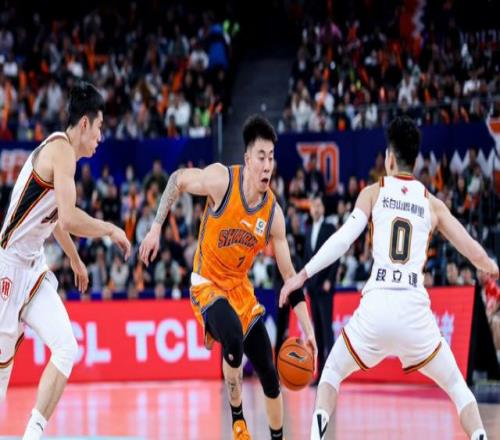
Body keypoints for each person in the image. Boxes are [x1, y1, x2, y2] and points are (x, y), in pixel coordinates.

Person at [280, 116, 499, 440]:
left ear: (390, 158)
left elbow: (343, 239)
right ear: (415, 160)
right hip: (414, 311)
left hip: (377, 307)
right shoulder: (433, 204)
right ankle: (481, 436)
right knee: (457, 386)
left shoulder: (374, 192)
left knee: (331, 372)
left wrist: (302, 275)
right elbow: (473, 252)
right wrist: (493, 266)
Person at [140, 115, 317, 440]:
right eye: (261, 157)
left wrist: (308, 330)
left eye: (272, 158)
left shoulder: (273, 214)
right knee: (233, 337)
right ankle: (238, 420)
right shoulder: (222, 180)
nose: (267, 165)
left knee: (269, 371)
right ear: (248, 159)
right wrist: (155, 228)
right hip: (206, 284)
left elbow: (290, 277)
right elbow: (177, 179)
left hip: (240, 290)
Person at [0, 82, 131, 440]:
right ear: (84, 123)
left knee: (66, 347)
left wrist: (74, 259)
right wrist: (110, 229)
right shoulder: (61, 149)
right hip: (8, 267)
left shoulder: (63, 158)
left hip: (33, 266)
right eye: (100, 127)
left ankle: (32, 434)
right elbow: (70, 218)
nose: (101, 137)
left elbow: (56, 219)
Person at [304, 196, 338, 382]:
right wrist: (306, 283)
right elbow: (307, 259)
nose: (316, 209)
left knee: (327, 331)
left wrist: (330, 280)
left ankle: (332, 374)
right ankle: (319, 374)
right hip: (312, 288)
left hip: (325, 287)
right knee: (316, 332)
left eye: (318, 205)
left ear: (323, 208)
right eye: (313, 206)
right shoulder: (308, 230)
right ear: (310, 210)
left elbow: (336, 255)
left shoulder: (329, 228)